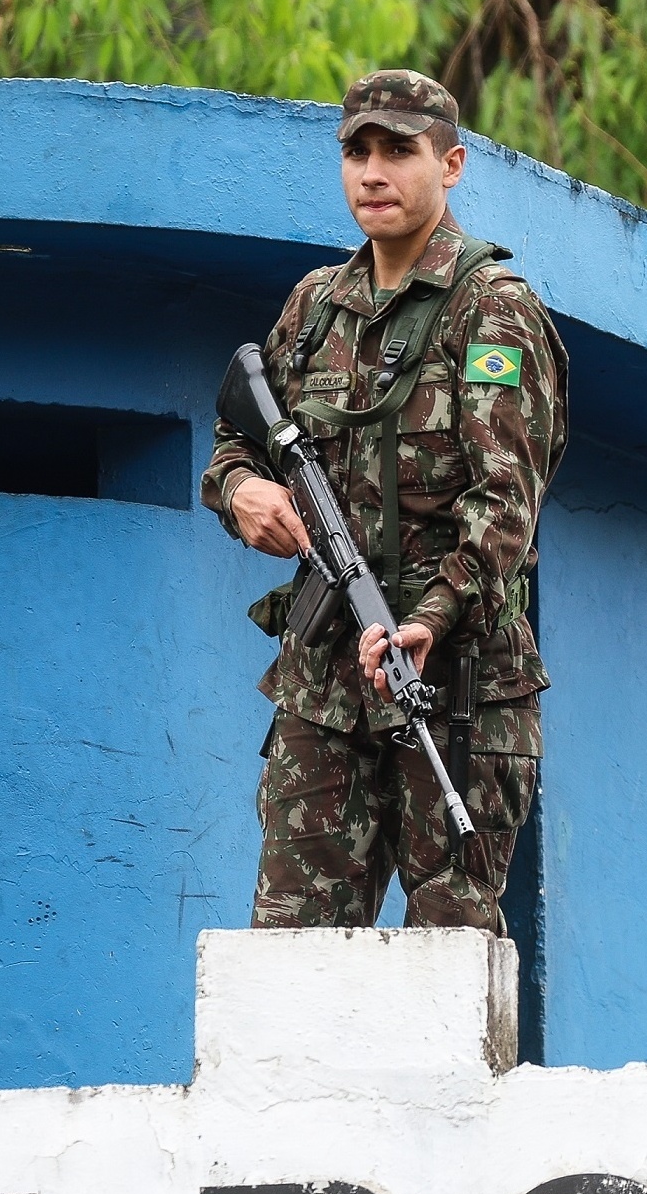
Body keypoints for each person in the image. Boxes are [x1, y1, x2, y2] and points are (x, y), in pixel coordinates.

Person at [202, 70, 567, 932]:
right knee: (290, 959)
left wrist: (431, 620)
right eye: (356, 152)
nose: (373, 172)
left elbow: (504, 503)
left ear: (451, 165)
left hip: (455, 687)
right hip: (323, 690)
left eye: (397, 151)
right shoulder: (314, 308)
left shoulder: (494, 314)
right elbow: (236, 445)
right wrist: (242, 490)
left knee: (451, 951)